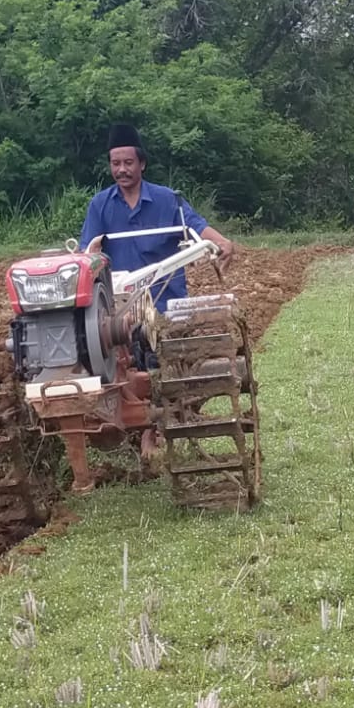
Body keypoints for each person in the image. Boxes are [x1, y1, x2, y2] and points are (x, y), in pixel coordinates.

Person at [80, 122, 237, 460]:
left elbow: (196, 229)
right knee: (123, 367)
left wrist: (221, 241)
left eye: (128, 163)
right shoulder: (101, 206)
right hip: (121, 310)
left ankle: (158, 429)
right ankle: (136, 427)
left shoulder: (168, 200)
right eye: (115, 163)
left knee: (165, 368)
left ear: (142, 164)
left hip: (166, 304)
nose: (121, 170)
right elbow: (88, 254)